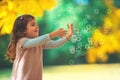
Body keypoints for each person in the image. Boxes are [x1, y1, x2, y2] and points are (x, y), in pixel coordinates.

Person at [6, 14, 73, 80]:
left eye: (36, 24)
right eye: (33, 25)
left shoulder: (38, 43)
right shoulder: (21, 41)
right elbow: (36, 42)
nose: (37, 27)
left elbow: (55, 44)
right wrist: (54, 34)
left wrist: (67, 37)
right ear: (23, 30)